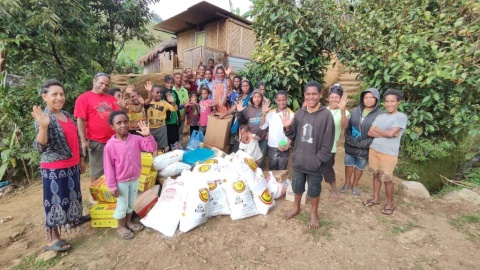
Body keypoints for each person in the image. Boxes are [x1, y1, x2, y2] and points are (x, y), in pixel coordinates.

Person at [32, 79, 85, 252]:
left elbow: (75, 140)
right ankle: (53, 238)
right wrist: (43, 127)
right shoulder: (44, 118)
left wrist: (81, 160)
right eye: (54, 94)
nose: (59, 98)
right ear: (44, 96)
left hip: (72, 165)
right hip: (55, 168)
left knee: (71, 197)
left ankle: (71, 220)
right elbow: (41, 146)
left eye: (61, 94)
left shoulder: (66, 115)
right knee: (54, 201)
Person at [281, 81, 334, 229]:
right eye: (308, 94)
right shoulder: (299, 113)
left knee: (314, 190)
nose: (311, 97)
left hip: (315, 163)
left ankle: (314, 213)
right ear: (305, 95)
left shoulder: (326, 115)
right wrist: (287, 127)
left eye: (314, 94)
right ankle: (296, 207)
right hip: (299, 161)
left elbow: (328, 141)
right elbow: (293, 135)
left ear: (320, 95)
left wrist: (319, 160)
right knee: (297, 186)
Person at [104, 111, 157, 239]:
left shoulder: (136, 139)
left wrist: (147, 136)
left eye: (125, 122)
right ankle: (120, 226)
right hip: (120, 181)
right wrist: (112, 186)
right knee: (122, 204)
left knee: (131, 202)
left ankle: (128, 222)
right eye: (119, 123)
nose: (123, 125)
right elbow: (108, 167)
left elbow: (151, 148)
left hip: (134, 178)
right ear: (112, 126)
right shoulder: (110, 146)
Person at [74, 72, 124, 182]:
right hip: (97, 142)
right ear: (94, 81)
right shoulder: (83, 98)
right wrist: (83, 141)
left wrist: (124, 108)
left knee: (116, 169)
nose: (104, 86)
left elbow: (120, 118)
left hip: (114, 140)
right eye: (101, 83)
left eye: (107, 85)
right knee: (97, 172)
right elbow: (81, 120)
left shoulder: (112, 99)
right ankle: (95, 196)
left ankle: (111, 193)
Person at [364, 89, 407, 215]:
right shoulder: (380, 116)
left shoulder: (401, 117)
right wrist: (387, 134)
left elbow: (391, 133)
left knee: (387, 179)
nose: (389, 104)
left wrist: (381, 131)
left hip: (389, 154)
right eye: (387, 101)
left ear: (398, 102)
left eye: (392, 101)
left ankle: (390, 203)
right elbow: (370, 132)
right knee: (375, 175)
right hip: (374, 150)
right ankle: (376, 198)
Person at [340, 88, 383, 196]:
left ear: (376, 99)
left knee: (360, 165)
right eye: (366, 98)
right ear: (362, 99)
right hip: (351, 144)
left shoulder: (380, 115)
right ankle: (347, 183)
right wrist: (349, 139)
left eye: (371, 97)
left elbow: (379, 133)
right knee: (348, 164)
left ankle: (355, 185)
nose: (368, 100)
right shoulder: (355, 110)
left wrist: (367, 143)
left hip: (366, 147)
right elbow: (348, 127)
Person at [324, 84, 350, 201]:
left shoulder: (344, 112)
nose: (334, 99)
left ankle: (334, 190)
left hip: (330, 147)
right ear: (328, 98)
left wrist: (343, 110)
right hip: (317, 145)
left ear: (341, 99)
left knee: (328, 169)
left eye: (336, 97)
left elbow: (344, 126)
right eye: (332, 97)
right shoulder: (324, 110)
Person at [235, 89, 270, 167]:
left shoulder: (265, 108)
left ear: (262, 98)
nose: (257, 99)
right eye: (255, 97)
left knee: (259, 161)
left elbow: (269, 122)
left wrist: (268, 132)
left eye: (259, 97)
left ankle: (259, 176)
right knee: (250, 161)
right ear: (252, 98)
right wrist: (239, 112)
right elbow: (241, 122)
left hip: (262, 138)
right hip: (251, 140)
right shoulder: (248, 109)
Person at [260, 90, 293, 170]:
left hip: (284, 146)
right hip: (272, 146)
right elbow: (262, 127)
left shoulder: (292, 114)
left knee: (282, 169)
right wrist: (263, 114)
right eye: (279, 100)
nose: (281, 102)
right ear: (275, 101)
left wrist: (288, 144)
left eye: (283, 100)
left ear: (287, 99)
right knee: (272, 168)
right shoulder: (271, 113)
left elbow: (293, 132)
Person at [144, 80, 178, 153]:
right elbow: (146, 102)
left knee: (161, 147)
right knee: (150, 147)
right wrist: (148, 92)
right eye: (157, 92)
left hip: (161, 128)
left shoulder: (164, 103)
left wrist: (172, 102)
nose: (159, 94)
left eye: (161, 93)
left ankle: (160, 160)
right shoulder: (148, 102)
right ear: (152, 93)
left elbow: (174, 109)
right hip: (150, 128)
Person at [164, 76, 181, 149]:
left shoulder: (175, 93)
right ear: (164, 83)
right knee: (167, 139)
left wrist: (183, 106)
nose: (169, 84)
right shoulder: (162, 93)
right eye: (167, 83)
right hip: (166, 121)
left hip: (174, 120)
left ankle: (173, 152)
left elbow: (177, 106)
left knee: (174, 139)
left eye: (171, 83)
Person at [174, 72, 189, 146]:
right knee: (174, 131)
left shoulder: (185, 91)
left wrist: (183, 115)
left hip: (182, 115)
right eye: (177, 78)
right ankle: (174, 146)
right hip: (173, 116)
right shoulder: (171, 90)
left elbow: (186, 104)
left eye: (180, 78)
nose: (179, 79)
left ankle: (179, 146)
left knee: (180, 131)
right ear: (174, 79)